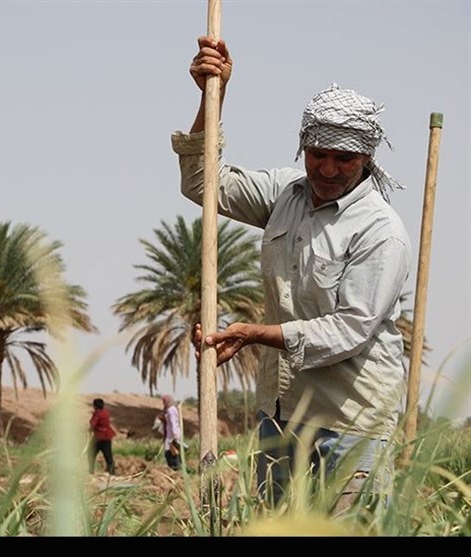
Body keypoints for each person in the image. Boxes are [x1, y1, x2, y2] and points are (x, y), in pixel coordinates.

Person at [173, 36, 412, 510]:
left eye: (343, 158)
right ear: (303, 145)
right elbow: (204, 184)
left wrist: (256, 334)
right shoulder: (287, 194)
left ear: (366, 158)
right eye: (317, 153)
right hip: (280, 416)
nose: (327, 168)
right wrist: (210, 94)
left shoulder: (381, 232)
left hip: (350, 422)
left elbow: (349, 330)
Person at [88, 398, 116, 475]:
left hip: (99, 437)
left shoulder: (97, 414)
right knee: (108, 455)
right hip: (107, 436)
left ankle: (91, 471)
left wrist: (90, 430)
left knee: (90, 453)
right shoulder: (106, 412)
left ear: (95, 406)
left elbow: (94, 424)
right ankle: (112, 472)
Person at [158, 394, 182, 471]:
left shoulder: (171, 410)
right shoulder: (169, 409)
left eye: (164, 401)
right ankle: (174, 467)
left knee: (171, 452)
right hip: (170, 433)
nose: (163, 403)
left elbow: (173, 422)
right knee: (171, 452)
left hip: (172, 434)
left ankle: (175, 467)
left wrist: (175, 434)